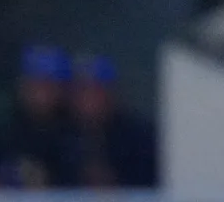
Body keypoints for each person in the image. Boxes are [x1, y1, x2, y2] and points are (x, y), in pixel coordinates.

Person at [0, 45, 75, 189]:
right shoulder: (5, 128)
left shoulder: (73, 130)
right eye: (33, 85)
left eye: (47, 86)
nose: (40, 95)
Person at [66, 53, 158, 189]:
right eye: (82, 90)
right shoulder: (60, 132)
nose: (88, 99)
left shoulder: (139, 135)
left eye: (96, 91)